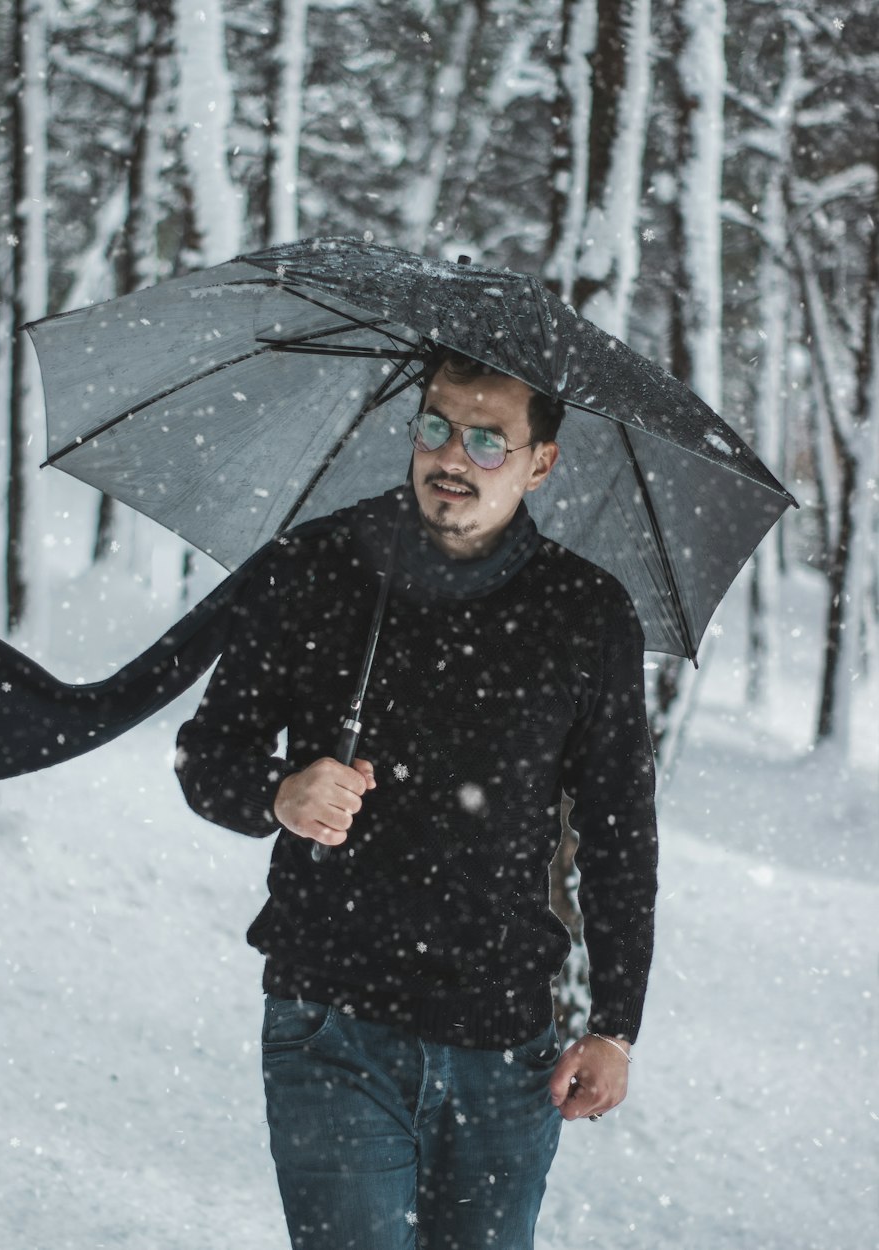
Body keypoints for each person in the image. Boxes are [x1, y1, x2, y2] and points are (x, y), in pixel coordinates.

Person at [175, 349, 658, 1249]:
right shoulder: (321, 569)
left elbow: (620, 835)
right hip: (332, 1023)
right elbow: (206, 755)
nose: (451, 457)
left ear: (540, 461)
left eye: (487, 440)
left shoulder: (587, 615)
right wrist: (279, 793)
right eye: (435, 426)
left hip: (506, 1044)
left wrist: (616, 1028)